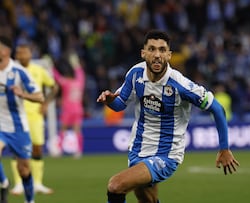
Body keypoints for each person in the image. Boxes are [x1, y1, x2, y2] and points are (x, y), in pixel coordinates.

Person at [97, 30, 239, 203]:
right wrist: (110, 100)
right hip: (138, 150)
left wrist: (224, 148)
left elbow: (217, 109)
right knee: (146, 198)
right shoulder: (135, 74)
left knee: (116, 186)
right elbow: (120, 104)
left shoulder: (180, 85)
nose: (157, 55)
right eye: (152, 49)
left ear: (169, 55)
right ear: (143, 53)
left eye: (162, 50)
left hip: (166, 154)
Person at [9, 43, 58, 195]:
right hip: (17, 115)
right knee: (17, 149)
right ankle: (18, 184)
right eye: (18, 53)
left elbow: (54, 87)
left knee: (37, 149)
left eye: (24, 52)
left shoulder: (39, 70)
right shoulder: (11, 71)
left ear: (30, 54)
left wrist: (46, 104)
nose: (21, 55)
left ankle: (37, 183)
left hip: (36, 116)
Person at [0, 35, 44, 203]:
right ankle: (4, 183)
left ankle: (29, 200)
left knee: (24, 170)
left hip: (18, 128)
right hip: (0, 127)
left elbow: (39, 96)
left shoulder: (19, 72)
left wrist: (22, 94)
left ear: (5, 51)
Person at [53, 53, 85, 158]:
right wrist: (76, 65)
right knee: (77, 130)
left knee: (63, 129)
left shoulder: (66, 82)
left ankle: (59, 150)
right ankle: (79, 151)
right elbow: (81, 74)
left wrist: (51, 68)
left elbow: (57, 78)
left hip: (68, 109)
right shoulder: (79, 82)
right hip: (78, 109)